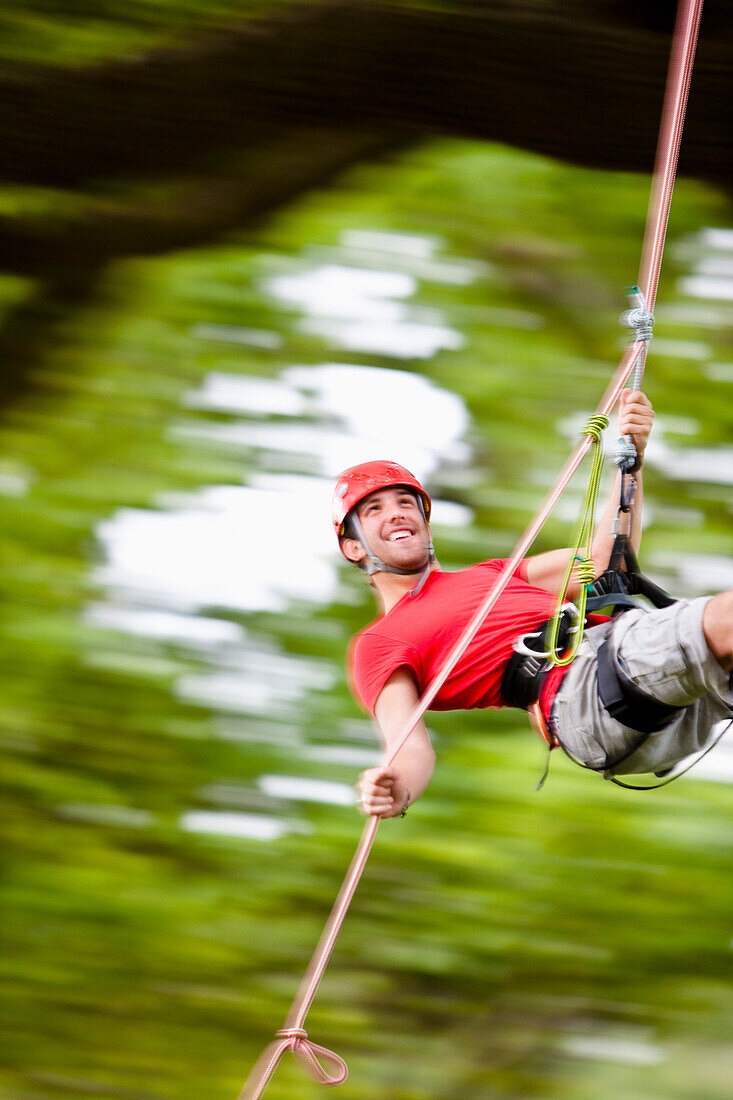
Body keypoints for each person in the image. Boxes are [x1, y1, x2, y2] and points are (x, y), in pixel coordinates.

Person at [331, 392, 733, 818]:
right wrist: (399, 786)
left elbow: (608, 559)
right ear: (354, 547)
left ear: (425, 525)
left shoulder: (494, 574)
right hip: (585, 695)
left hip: (638, 701)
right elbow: (408, 742)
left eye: (405, 503)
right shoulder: (379, 644)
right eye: (374, 509)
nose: (395, 513)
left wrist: (633, 454)